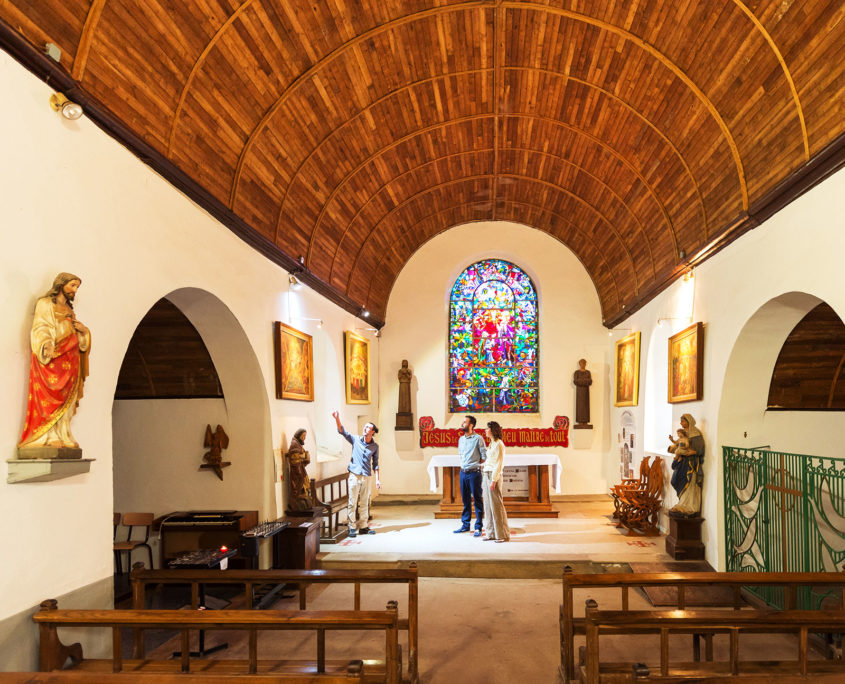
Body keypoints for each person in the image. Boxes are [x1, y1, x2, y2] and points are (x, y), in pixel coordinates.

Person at [18, 272, 91, 451]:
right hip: (53, 358)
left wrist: (84, 331)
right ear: (61, 284)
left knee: (68, 397)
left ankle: (63, 434)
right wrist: (46, 344)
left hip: (71, 359)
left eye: (77, 287)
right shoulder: (45, 304)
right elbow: (41, 326)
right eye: (72, 285)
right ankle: (47, 435)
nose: (75, 290)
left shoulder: (69, 310)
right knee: (50, 395)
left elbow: (80, 340)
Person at [333, 411, 381, 537]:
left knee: (365, 502)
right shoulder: (355, 440)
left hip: (366, 475)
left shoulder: (375, 446)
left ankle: (364, 526)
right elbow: (342, 431)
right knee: (352, 502)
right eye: (364, 427)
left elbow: (375, 464)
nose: (365, 429)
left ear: (372, 432)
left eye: (367, 428)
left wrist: (377, 480)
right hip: (354, 475)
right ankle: (352, 527)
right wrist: (337, 418)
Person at [454, 415, 486, 536]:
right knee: (465, 500)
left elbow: (484, 456)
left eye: (464, 422)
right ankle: (465, 525)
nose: (462, 424)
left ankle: (478, 527)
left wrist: (474, 465)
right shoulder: (461, 439)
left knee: (477, 500)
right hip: (463, 473)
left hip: (474, 473)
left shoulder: (478, 438)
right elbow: (461, 455)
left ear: (471, 425)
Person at [669, 414, 705, 516]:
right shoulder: (684, 433)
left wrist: (693, 452)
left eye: (683, 421)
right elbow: (678, 444)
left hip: (691, 463)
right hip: (683, 462)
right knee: (676, 480)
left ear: (689, 421)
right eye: (681, 421)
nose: (681, 423)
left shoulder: (695, 433)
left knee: (690, 483)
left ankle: (689, 506)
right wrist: (673, 448)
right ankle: (682, 503)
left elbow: (700, 449)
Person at [482, 421, 510, 542]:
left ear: (492, 430)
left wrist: (494, 480)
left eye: (487, 428)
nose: (485, 430)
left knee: (496, 506)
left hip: (494, 476)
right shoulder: (491, 443)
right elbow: (490, 460)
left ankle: (502, 534)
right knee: (488, 505)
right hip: (486, 473)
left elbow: (498, 463)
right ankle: (490, 532)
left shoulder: (499, 444)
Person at [285, 428, 313, 512]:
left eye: (305, 436)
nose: (304, 438)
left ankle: (301, 498)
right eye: (303, 436)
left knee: (303, 485)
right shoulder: (294, 445)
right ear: (298, 435)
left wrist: (305, 459)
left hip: (300, 469)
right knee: (297, 486)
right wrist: (303, 458)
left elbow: (300, 458)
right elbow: (295, 460)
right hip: (297, 472)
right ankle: (295, 502)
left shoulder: (297, 444)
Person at [573, 359, 592, 427]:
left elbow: (590, 381)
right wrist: (584, 381)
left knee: (586, 406)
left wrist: (581, 381)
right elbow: (575, 381)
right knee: (580, 406)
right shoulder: (577, 372)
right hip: (579, 392)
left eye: (584, 363)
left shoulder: (588, 372)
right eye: (581, 363)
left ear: (586, 364)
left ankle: (585, 421)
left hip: (586, 392)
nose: (583, 364)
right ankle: (580, 421)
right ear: (579, 364)